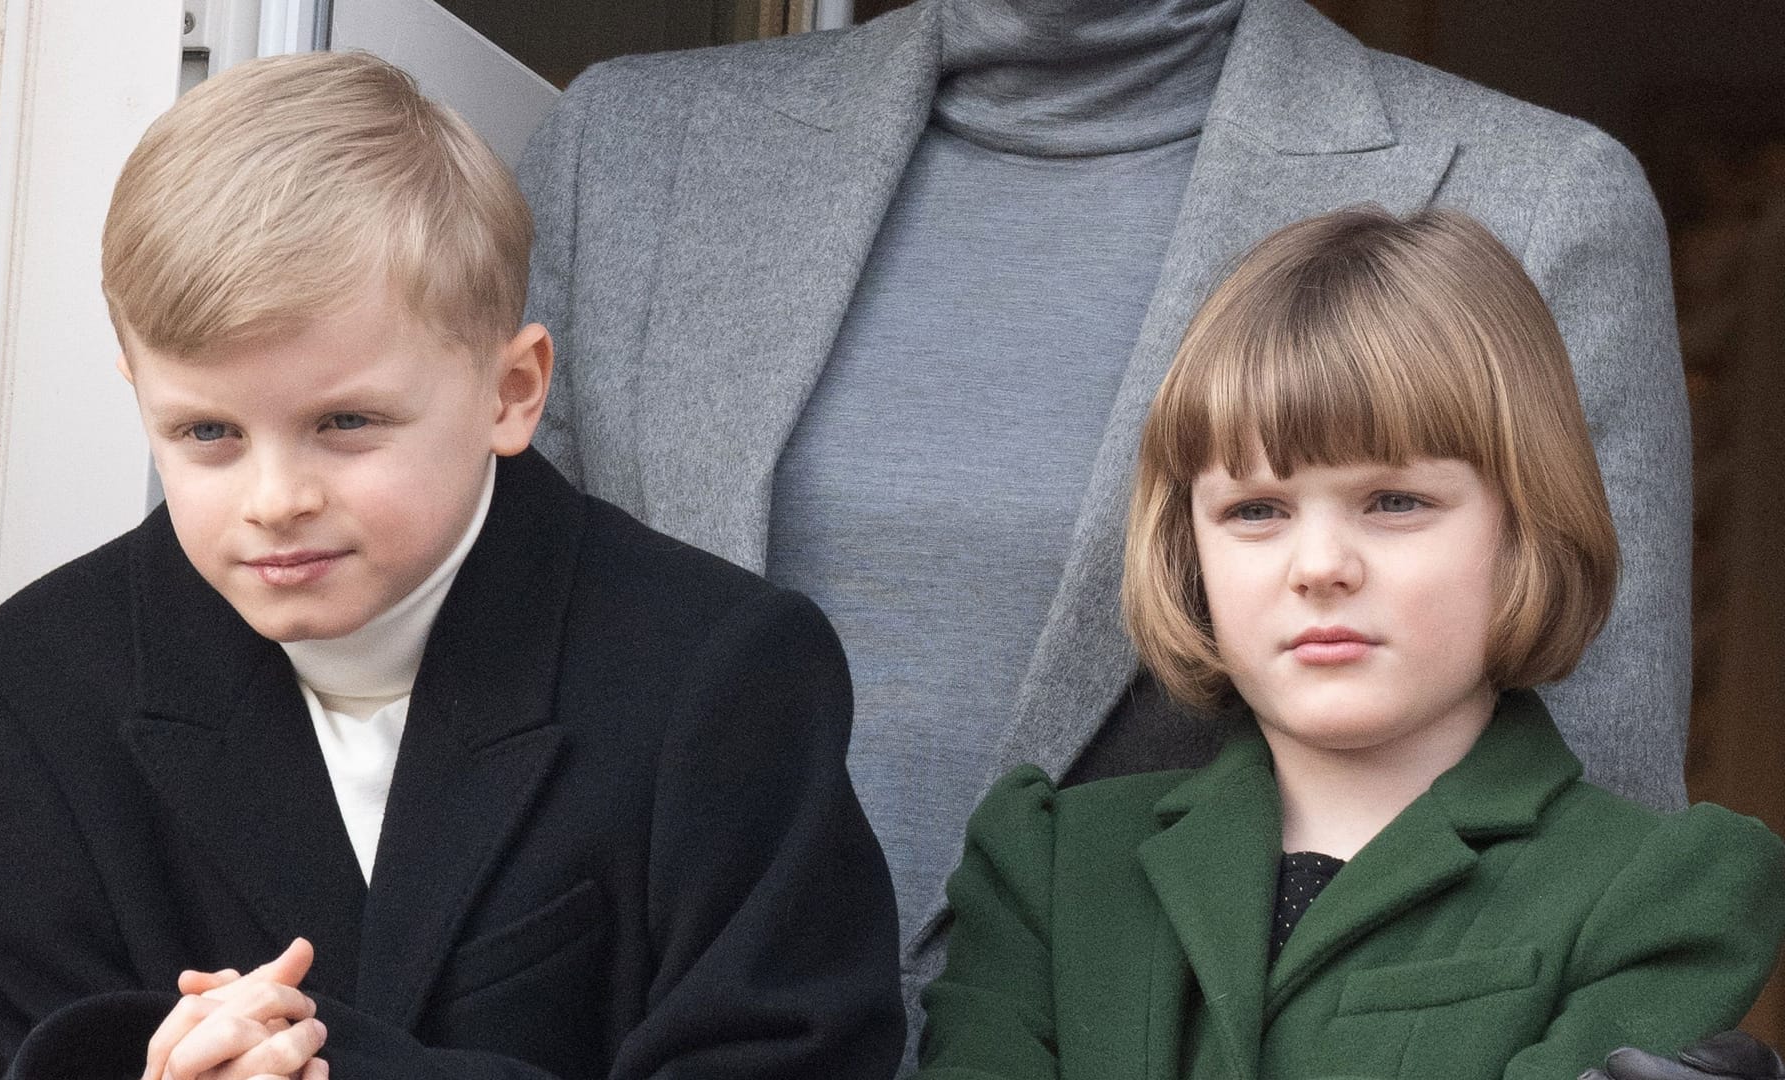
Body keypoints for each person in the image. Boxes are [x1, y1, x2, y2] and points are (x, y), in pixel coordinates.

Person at [515, 0, 1695, 1041]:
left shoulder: (1536, 198)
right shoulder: (623, 152)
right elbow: (497, 726)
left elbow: (1590, 830)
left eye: (1388, 504)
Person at [0, 50, 905, 1080]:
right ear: (139, 394)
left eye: (345, 422)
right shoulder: (27, 696)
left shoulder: (723, 673)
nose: (274, 498)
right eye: (207, 432)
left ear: (512, 391)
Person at [909, 206, 1785, 1079]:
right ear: (1190, 547)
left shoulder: (1663, 892)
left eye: (1395, 501)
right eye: (1256, 511)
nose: (1320, 567)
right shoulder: (1051, 865)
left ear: (1528, 522)